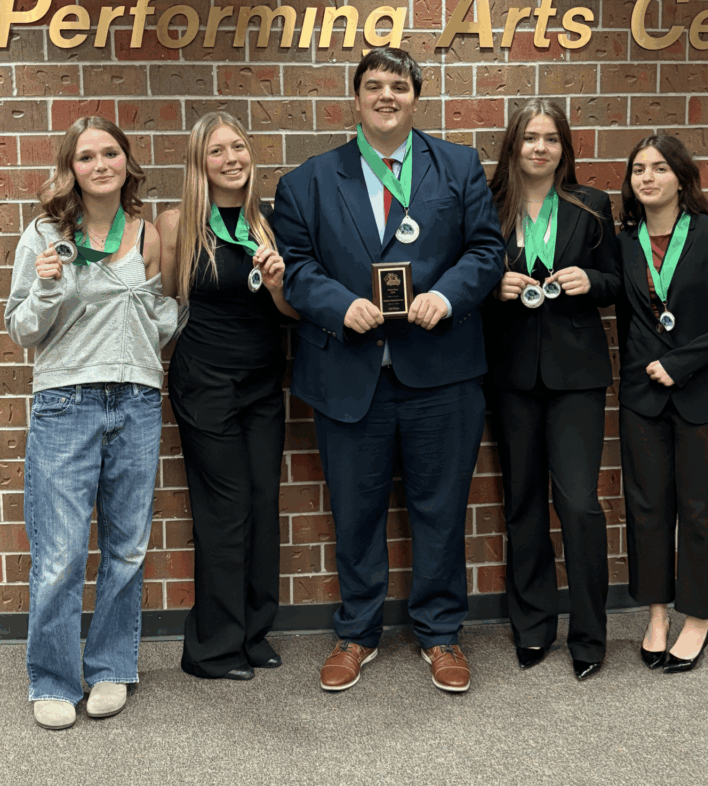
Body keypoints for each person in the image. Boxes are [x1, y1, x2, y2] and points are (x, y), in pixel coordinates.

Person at [274, 47, 506, 693]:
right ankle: (357, 632)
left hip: (441, 372)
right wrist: (338, 304)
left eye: (398, 86)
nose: (386, 96)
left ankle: (441, 633)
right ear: (355, 98)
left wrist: (449, 295)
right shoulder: (307, 181)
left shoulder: (458, 165)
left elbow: (487, 250)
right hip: (351, 375)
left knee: (441, 509)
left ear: (415, 98)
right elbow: (296, 268)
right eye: (373, 85)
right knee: (355, 512)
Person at [5, 116, 177, 731]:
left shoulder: (146, 234)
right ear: (71, 168)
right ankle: (52, 679)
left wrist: (164, 311)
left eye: (110, 153)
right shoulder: (45, 234)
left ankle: (110, 668)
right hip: (66, 402)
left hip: (135, 400)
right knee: (60, 553)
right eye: (86, 156)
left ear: (127, 162)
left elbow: (161, 321)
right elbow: (21, 329)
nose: (100, 164)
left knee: (127, 548)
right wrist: (47, 287)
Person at [156, 112, 297, 681]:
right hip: (205, 383)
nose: (231, 158)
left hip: (263, 381)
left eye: (238, 146)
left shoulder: (270, 224)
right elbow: (167, 304)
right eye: (217, 151)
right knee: (224, 508)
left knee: (263, 502)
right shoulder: (178, 225)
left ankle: (253, 633)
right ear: (200, 162)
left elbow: (291, 313)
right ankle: (212, 648)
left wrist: (281, 283)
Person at [484, 100, 620, 681]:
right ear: (513, 145)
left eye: (551, 138)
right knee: (522, 504)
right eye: (530, 137)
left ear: (564, 148)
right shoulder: (488, 205)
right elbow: (466, 276)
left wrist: (591, 279)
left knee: (579, 504)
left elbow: (617, 282)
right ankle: (533, 627)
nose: (540, 148)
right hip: (511, 374)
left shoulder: (591, 204)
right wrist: (493, 286)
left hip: (577, 376)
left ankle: (589, 634)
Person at [616, 135, 708, 672]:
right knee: (647, 509)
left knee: (700, 510)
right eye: (638, 170)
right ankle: (656, 616)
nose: (647, 178)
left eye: (659, 168)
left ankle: (697, 619)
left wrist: (680, 362)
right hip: (643, 398)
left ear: (681, 177)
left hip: (705, 397)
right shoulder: (624, 243)